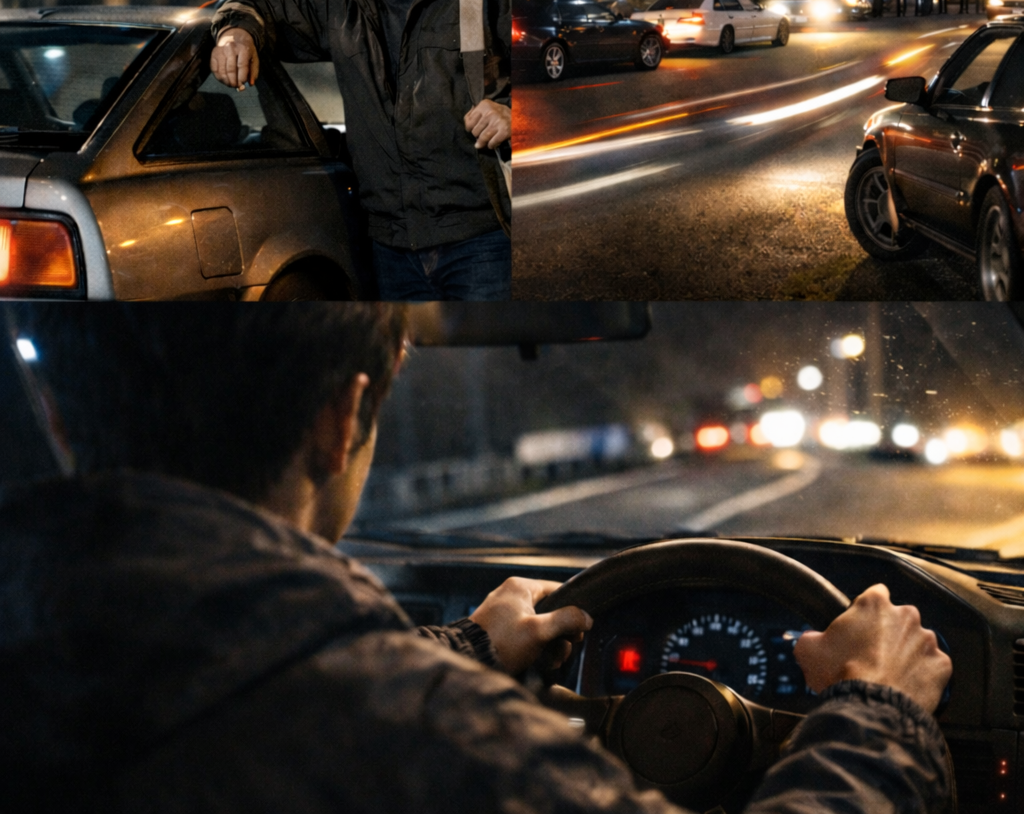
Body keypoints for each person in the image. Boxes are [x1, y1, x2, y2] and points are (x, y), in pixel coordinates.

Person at [0, 306, 955, 814]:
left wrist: (463, 649)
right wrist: (877, 712)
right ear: (341, 421)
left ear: (57, 418)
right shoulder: (444, 743)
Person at [210, 0, 511, 302]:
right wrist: (235, 32)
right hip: (389, 254)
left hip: (484, 244)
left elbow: (560, 70)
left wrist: (515, 110)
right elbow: (249, 1)